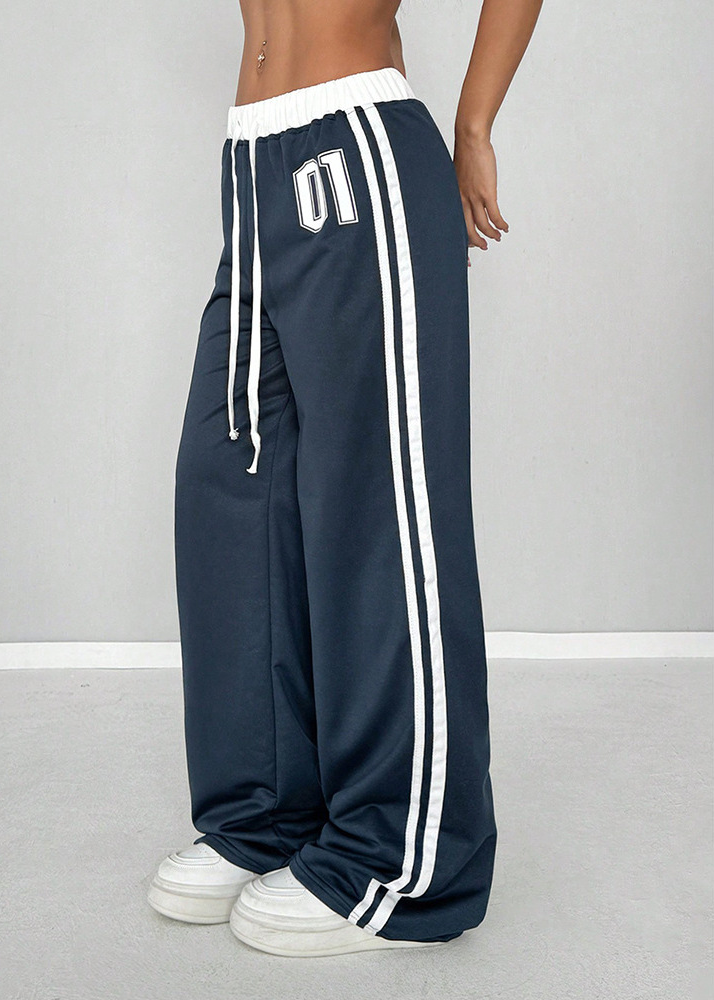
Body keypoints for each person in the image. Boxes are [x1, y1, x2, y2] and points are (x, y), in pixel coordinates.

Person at [148, 0, 542, 957]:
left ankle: (401, 855)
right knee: (235, 502)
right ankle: (266, 816)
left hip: (353, 147)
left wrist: (475, 124)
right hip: (252, 167)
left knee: (377, 515)